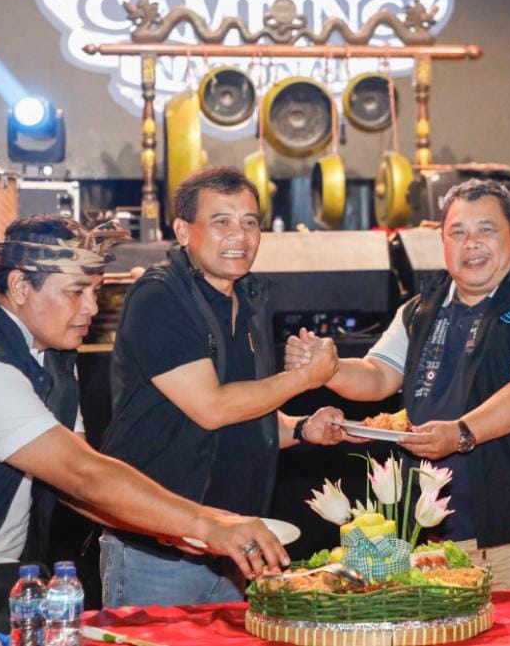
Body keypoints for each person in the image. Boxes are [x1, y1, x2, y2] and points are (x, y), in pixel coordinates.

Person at [0, 215, 288, 646]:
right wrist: (207, 523)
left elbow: (74, 485)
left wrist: (172, 529)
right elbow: (81, 474)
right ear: (19, 286)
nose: (92, 307)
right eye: (75, 291)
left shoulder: (50, 354)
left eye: (96, 290)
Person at [285, 179, 510, 607]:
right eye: (458, 232)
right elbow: (378, 375)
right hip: (443, 544)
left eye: (486, 229)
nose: (472, 243)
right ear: (442, 241)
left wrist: (461, 433)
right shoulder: (421, 309)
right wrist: (330, 369)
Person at [99, 167, 352, 607]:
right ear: (183, 231)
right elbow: (212, 408)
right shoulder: (159, 298)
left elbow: (243, 414)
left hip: (237, 548)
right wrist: (304, 378)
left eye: (249, 222)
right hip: (160, 552)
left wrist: (301, 428)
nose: (239, 235)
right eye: (221, 221)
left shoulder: (249, 299)